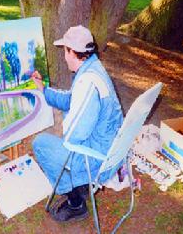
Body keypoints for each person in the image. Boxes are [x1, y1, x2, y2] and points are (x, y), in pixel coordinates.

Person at [31, 25, 123, 223]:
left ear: (73, 52)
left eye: (65, 50)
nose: (64, 56)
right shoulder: (92, 68)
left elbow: (74, 135)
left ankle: (75, 203)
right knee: (60, 140)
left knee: (41, 144)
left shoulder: (87, 83)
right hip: (110, 148)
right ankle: (80, 185)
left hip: (99, 158)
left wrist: (64, 123)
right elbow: (70, 100)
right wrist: (44, 89)